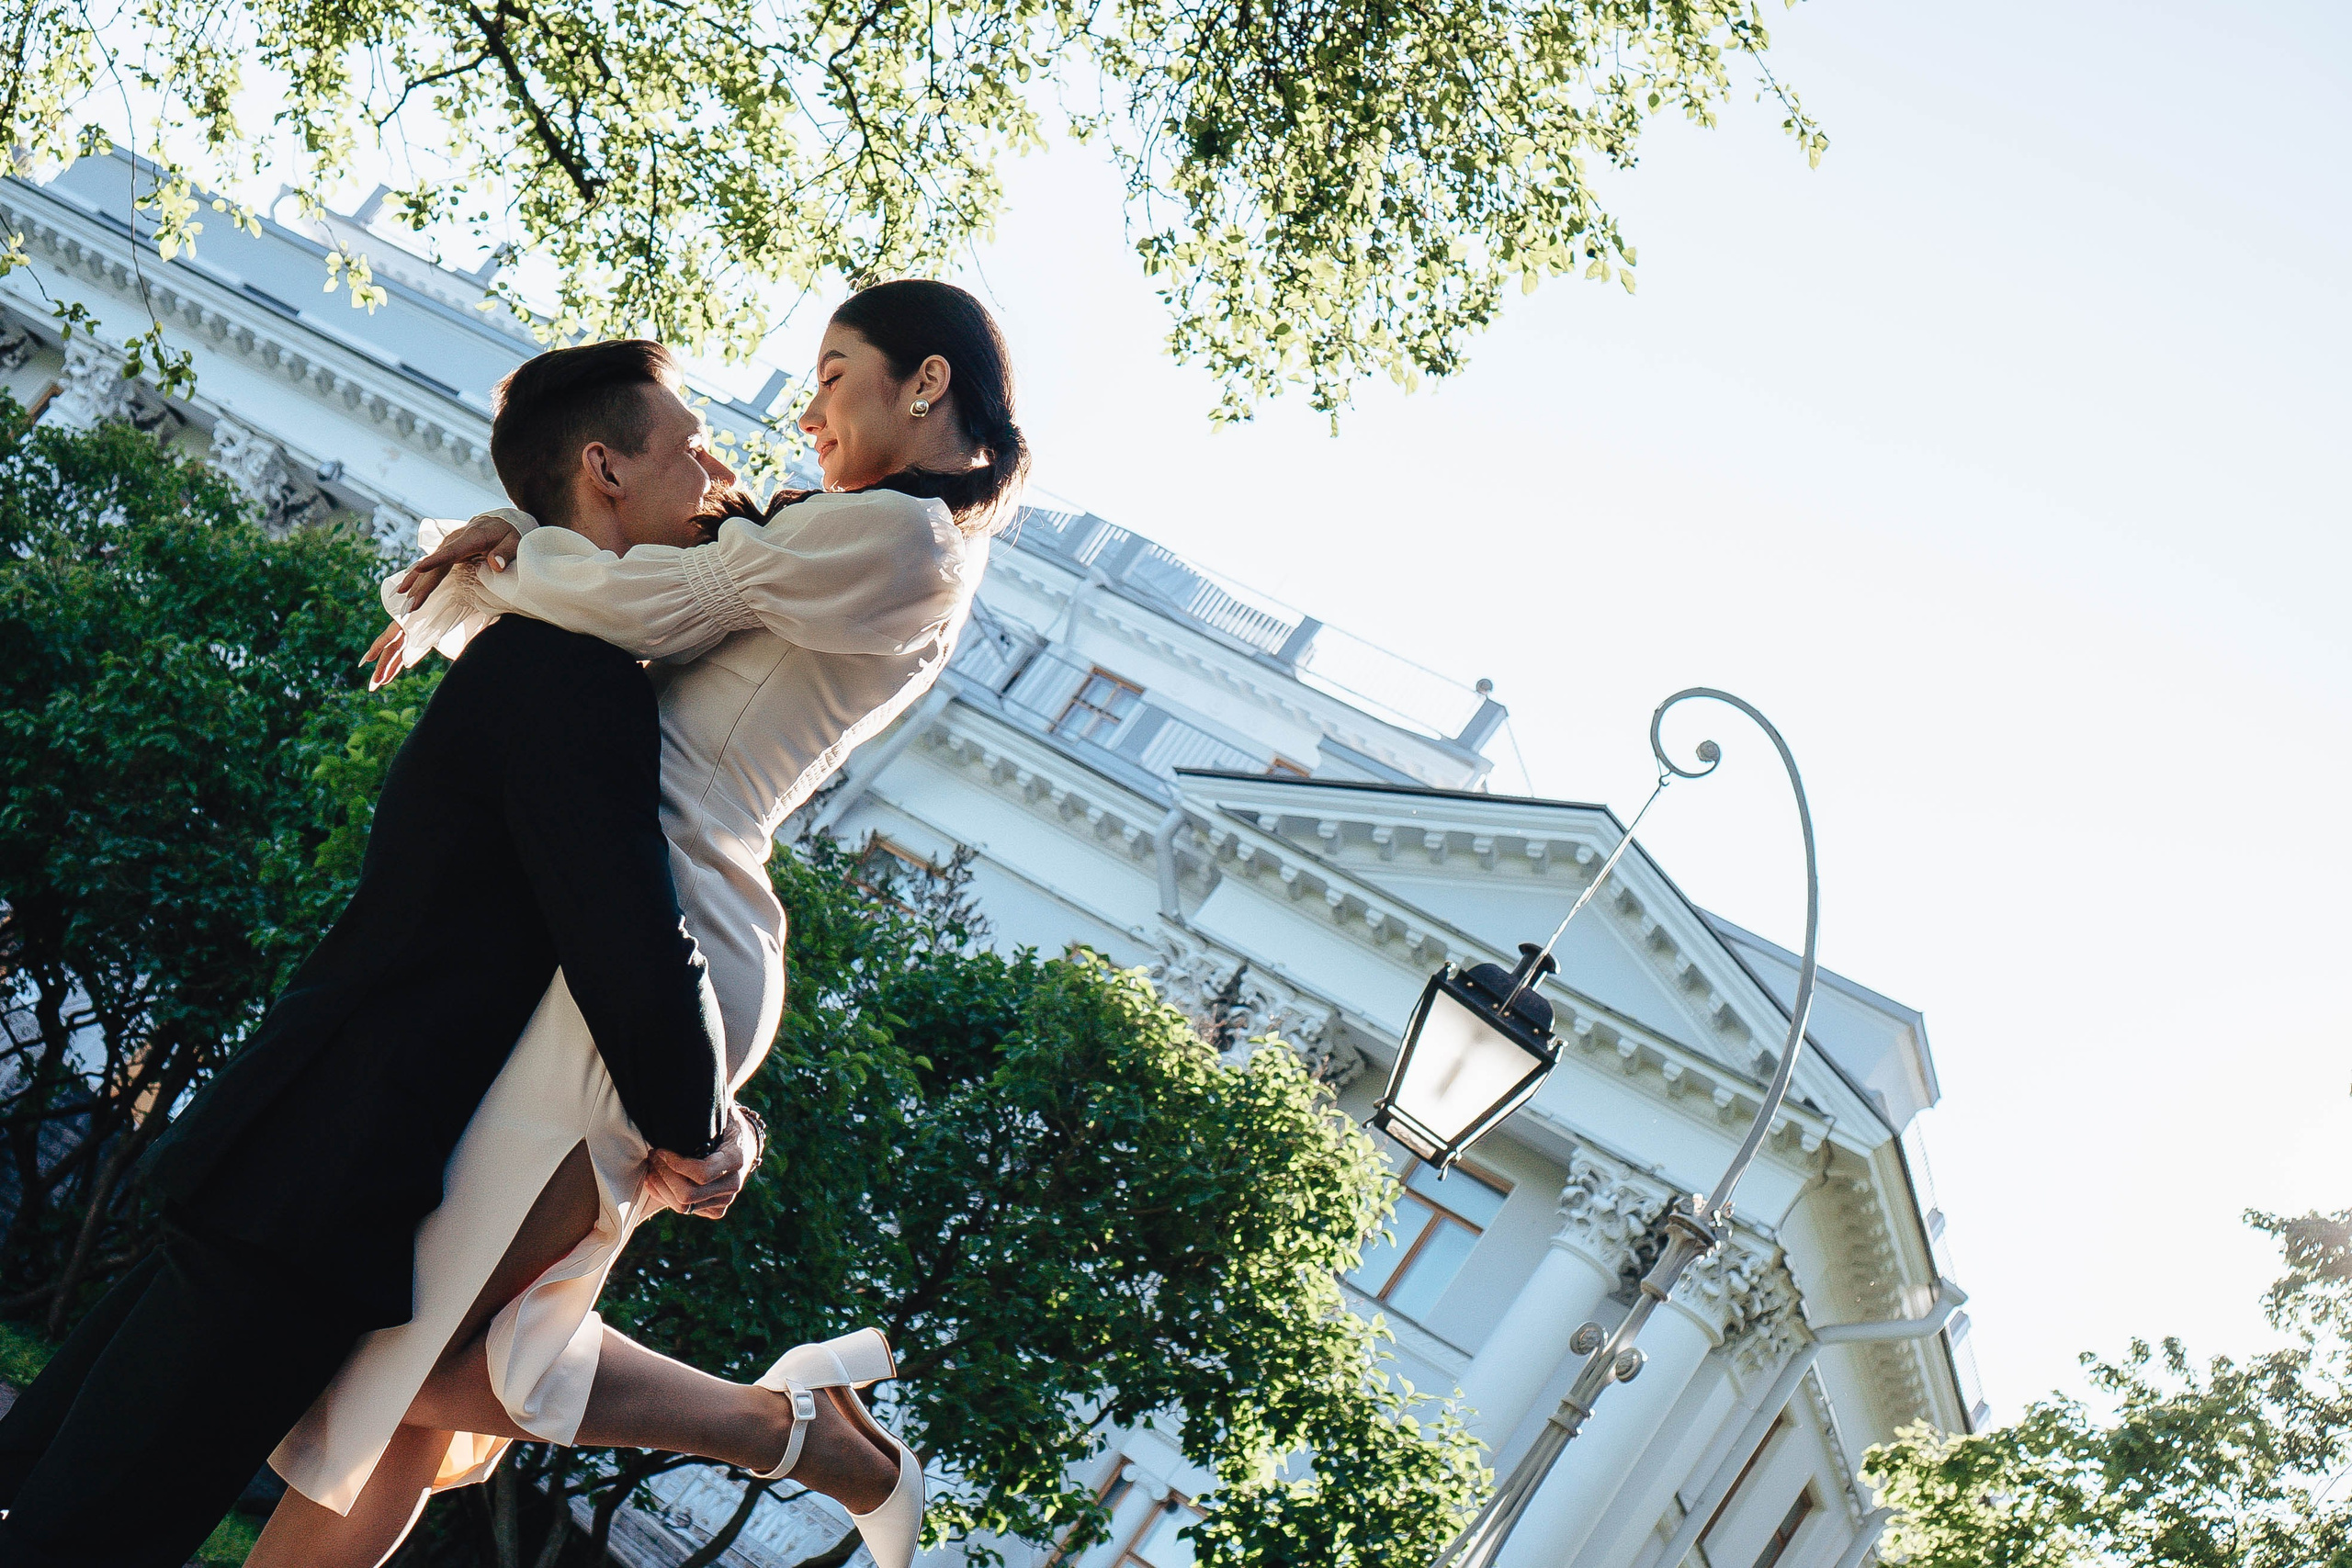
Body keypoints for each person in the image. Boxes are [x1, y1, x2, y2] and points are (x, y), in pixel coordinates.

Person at [248, 279, 1026, 1568]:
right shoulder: (842, 529)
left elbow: (642, 605)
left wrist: (506, 553)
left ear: (927, 383)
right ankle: (801, 1430)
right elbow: (645, 572)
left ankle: (803, 1438)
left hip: (663, 936)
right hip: (623, 922)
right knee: (389, 1399)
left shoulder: (903, 542)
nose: (809, 404)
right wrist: (519, 538)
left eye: (836, 371)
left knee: (436, 1354)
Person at [0, 344, 744, 1567]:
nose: (717, 468)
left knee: (53, 1490)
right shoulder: (572, 673)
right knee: (90, 1530)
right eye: (692, 441)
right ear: (605, 467)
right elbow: (625, 927)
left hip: (288, 1156)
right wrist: (701, 1121)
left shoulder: (540, 641)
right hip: (318, 1179)